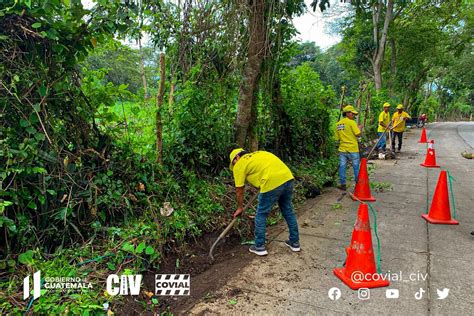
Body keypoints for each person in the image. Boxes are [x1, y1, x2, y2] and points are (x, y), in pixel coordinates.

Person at [229, 149, 300, 256]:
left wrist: (240, 207)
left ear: (237, 158)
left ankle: (259, 246)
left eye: (233, 162)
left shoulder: (239, 164)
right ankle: (295, 243)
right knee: (288, 211)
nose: (234, 165)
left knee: (261, 214)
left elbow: (239, 190)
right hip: (287, 178)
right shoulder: (259, 154)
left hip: (271, 183)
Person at [335, 105, 363, 191]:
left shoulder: (338, 124)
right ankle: (358, 186)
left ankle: (343, 184)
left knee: (342, 166)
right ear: (347, 113)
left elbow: (337, 139)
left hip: (342, 149)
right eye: (352, 113)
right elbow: (358, 134)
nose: (353, 115)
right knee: (356, 167)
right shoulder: (352, 122)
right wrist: (360, 128)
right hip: (353, 149)